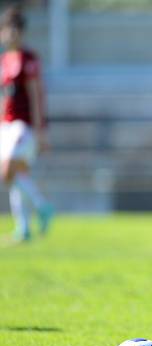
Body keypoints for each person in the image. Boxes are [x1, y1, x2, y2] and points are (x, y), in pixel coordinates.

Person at [0, 4, 53, 243]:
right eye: (6, 29)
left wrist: (41, 130)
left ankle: (42, 207)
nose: (10, 34)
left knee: (7, 169)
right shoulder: (3, 60)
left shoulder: (28, 59)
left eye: (14, 30)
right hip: (5, 125)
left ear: (21, 32)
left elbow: (35, 94)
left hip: (23, 125)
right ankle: (23, 228)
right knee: (18, 176)